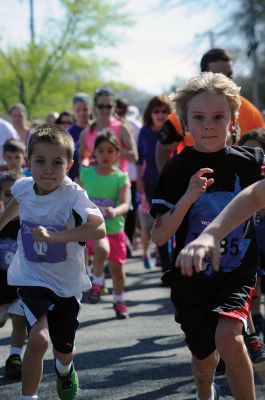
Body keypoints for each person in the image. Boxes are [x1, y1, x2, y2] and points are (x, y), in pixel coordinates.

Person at [150, 72, 264, 400]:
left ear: (233, 120)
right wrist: (187, 199)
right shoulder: (175, 169)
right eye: (199, 118)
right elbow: (160, 238)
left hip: (237, 272)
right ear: (185, 123)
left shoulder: (253, 162)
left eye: (218, 117)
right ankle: (205, 392)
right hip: (192, 278)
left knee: (230, 338)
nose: (209, 126)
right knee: (204, 360)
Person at [2, 124, 105, 400]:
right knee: (37, 339)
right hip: (31, 277)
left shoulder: (73, 195)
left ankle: (65, 368)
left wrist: (57, 237)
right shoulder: (23, 186)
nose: (48, 169)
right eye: (40, 161)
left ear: (69, 165)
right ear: (28, 161)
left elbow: (98, 229)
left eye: (56, 162)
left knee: (63, 349)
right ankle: (28, 397)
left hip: (67, 284)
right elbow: (18, 203)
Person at [80, 131, 130, 319]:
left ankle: (119, 301)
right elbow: (78, 197)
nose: (105, 155)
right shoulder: (87, 173)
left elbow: (125, 203)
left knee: (117, 271)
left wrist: (115, 211)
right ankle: (97, 283)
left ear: (117, 153)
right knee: (102, 250)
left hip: (115, 227)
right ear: (95, 153)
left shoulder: (120, 177)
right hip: (94, 227)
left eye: (110, 150)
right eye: (100, 151)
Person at [137, 95, 172, 269]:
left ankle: (167, 260)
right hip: (150, 184)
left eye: (164, 111)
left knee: (169, 222)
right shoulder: (144, 131)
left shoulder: (173, 131)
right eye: (156, 111)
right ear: (150, 113)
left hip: (172, 184)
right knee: (153, 223)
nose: (160, 114)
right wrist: (140, 184)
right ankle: (157, 258)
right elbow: (139, 159)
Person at [0, 171, 27, 380]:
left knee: (19, 321)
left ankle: (15, 356)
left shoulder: (29, 223)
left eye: (18, 196)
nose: (13, 200)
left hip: (20, 286)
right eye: (8, 195)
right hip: (0, 286)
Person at [79, 87, 138, 173]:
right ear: (94, 107)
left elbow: (134, 157)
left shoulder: (122, 128)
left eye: (109, 106)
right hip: (94, 182)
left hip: (119, 182)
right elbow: (83, 157)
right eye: (101, 106)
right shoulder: (86, 132)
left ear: (114, 107)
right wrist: (84, 167)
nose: (105, 110)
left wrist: (112, 150)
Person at [68, 92, 91, 181]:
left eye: (85, 109)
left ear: (91, 109)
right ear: (73, 111)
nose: (82, 113)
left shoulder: (97, 129)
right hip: (75, 180)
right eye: (78, 110)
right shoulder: (68, 133)